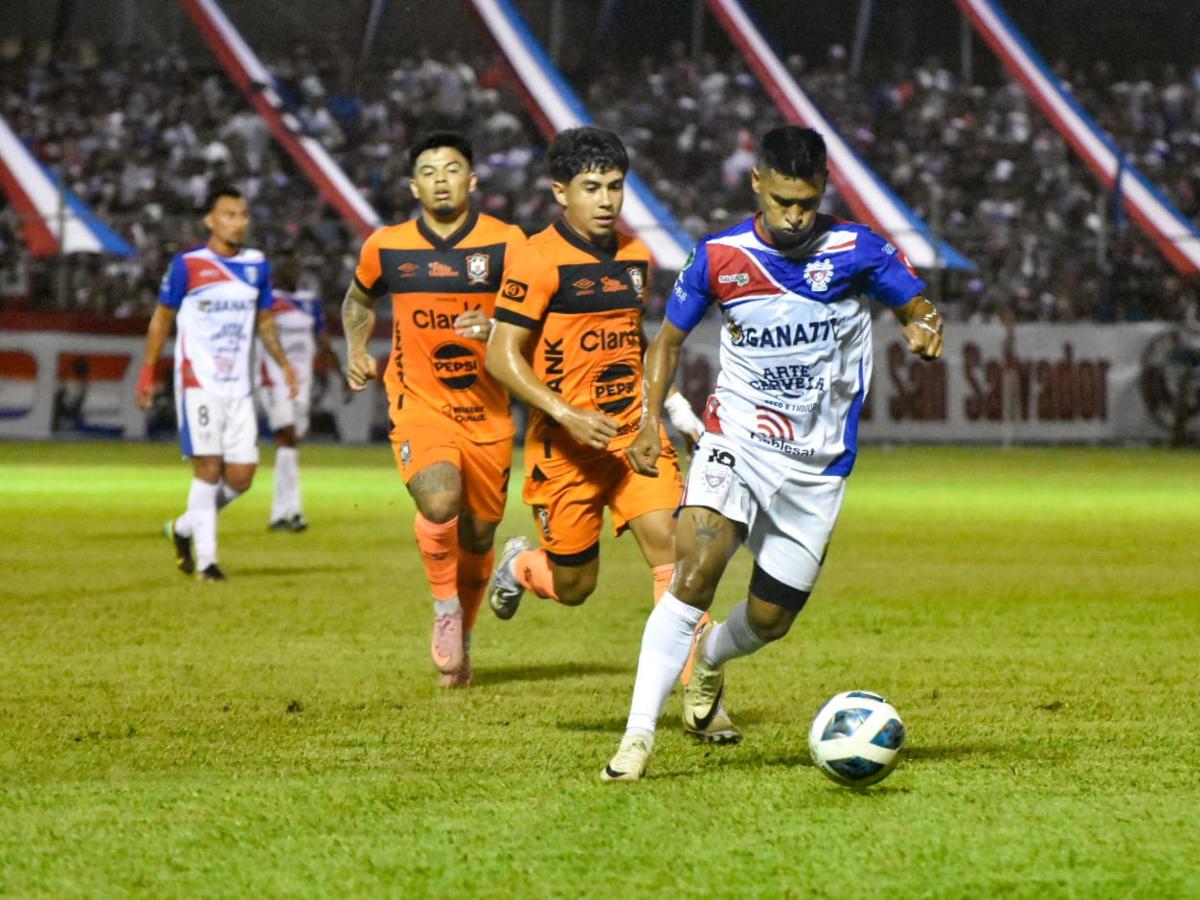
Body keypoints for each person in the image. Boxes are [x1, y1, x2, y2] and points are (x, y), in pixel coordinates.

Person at [601, 126, 945, 781]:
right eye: (784, 200)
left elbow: (919, 307)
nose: (795, 215)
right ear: (756, 183)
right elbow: (667, 343)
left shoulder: (857, 249)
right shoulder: (719, 256)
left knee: (769, 618)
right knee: (694, 571)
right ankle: (637, 737)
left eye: (807, 202)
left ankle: (708, 663)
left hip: (817, 469)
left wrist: (924, 328)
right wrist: (650, 417)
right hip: (736, 440)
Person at [483, 127, 734, 742]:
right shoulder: (538, 258)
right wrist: (566, 413)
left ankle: (702, 697)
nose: (605, 200)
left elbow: (635, 343)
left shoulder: (635, 256)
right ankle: (519, 567)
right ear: (559, 191)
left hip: (631, 437)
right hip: (564, 447)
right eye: (591, 188)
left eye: (615, 187)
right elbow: (500, 355)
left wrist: (663, 412)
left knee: (677, 553)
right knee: (575, 587)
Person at [342, 131, 526, 688]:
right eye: (429, 170)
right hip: (418, 403)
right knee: (439, 497)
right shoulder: (386, 246)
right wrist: (355, 348)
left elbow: (539, 314)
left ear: (472, 181)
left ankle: (462, 638)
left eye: (452, 168)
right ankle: (445, 609)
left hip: (487, 415)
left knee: (477, 537)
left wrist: (497, 328)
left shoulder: (507, 243)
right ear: (413, 185)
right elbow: (357, 299)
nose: (441, 178)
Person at [135, 185, 299, 582]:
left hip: (239, 386)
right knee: (208, 469)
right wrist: (149, 369)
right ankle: (207, 562)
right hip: (198, 381)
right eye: (229, 215)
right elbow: (162, 318)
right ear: (210, 219)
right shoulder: (188, 265)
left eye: (242, 215)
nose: (238, 222)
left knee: (241, 477)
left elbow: (264, 321)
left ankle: (183, 528)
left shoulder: (257, 265)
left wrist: (284, 365)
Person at [256, 257, 346, 531]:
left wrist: (340, 375)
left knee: (290, 445)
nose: (292, 270)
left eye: (295, 266)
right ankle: (293, 511)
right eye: (287, 266)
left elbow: (323, 342)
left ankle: (280, 514)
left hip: (302, 384)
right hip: (275, 378)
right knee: (288, 436)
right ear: (278, 271)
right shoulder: (267, 299)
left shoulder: (309, 302)